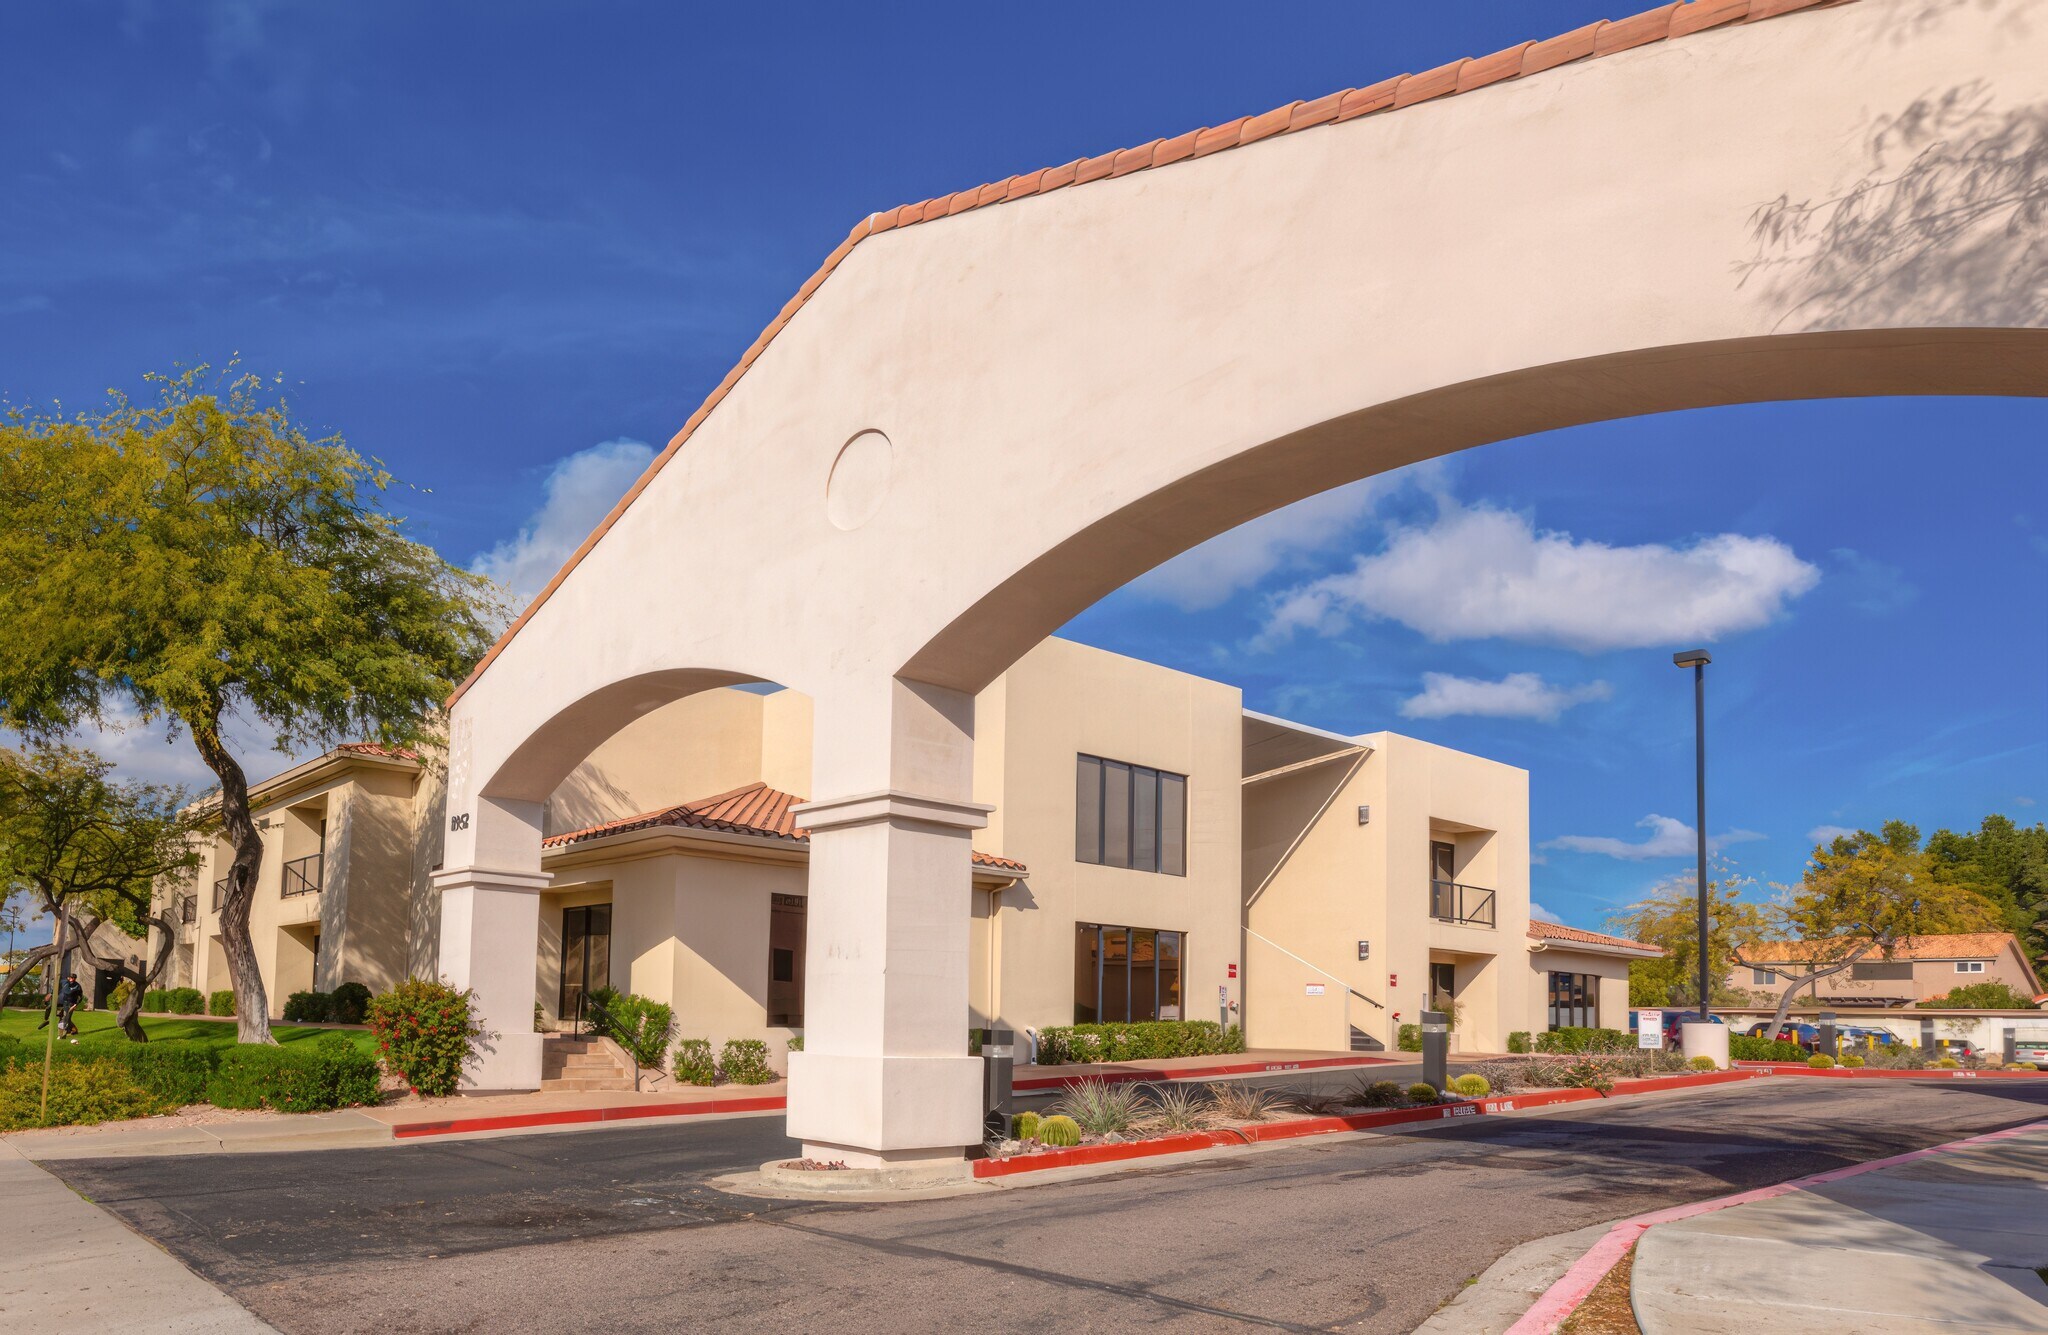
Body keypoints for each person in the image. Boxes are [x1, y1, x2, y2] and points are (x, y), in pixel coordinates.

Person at [56, 971, 83, 1040]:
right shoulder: (65, 984)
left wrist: (75, 1004)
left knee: (65, 1019)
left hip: (71, 1004)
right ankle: (73, 1030)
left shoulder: (77, 986)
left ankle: (62, 1035)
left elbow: (80, 997)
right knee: (64, 1018)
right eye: (71, 977)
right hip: (64, 1003)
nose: (72, 979)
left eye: (74, 978)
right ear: (68, 978)